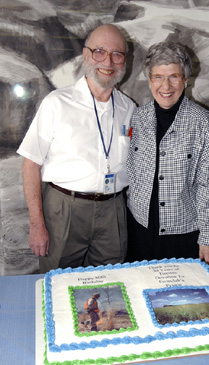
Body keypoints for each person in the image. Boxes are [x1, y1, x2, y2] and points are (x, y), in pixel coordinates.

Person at [17, 24, 136, 273]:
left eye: (117, 54)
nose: (108, 61)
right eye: (99, 51)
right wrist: (37, 224)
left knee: (109, 284)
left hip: (113, 209)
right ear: (85, 55)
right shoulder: (56, 104)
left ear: (125, 60)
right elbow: (30, 164)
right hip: (64, 210)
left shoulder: (130, 109)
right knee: (57, 282)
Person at [126, 41, 209, 276]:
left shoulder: (202, 122)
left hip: (182, 237)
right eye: (158, 77)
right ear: (149, 80)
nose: (165, 86)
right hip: (139, 231)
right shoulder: (138, 118)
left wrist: (208, 239)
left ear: (185, 80)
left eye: (174, 76)